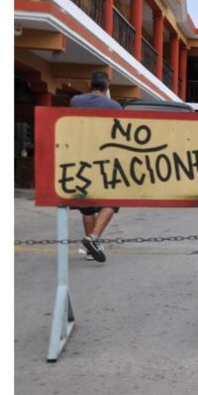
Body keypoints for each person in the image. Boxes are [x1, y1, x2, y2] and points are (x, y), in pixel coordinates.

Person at [69, 70, 122, 262]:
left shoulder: (76, 101)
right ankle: (93, 238)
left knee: (88, 206)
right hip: (106, 157)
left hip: (80, 157)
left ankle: (92, 246)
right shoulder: (114, 106)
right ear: (107, 86)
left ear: (88, 83)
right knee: (111, 200)